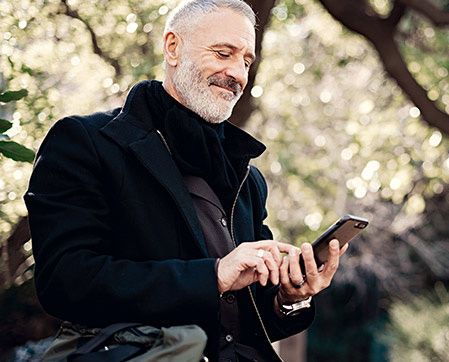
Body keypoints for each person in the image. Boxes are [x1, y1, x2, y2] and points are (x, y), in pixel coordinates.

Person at [24, 0, 347, 360]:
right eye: (223, 53)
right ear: (173, 47)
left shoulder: (249, 179)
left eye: (245, 61)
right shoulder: (85, 141)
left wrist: (289, 298)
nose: (237, 73)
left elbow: (248, 321)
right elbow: (65, 282)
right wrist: (214, 276)